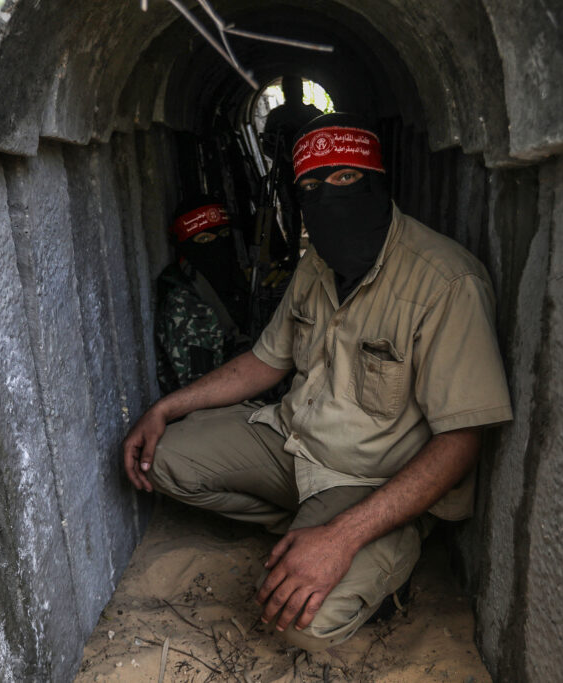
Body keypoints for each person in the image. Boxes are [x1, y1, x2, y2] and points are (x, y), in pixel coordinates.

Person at [124, 113, 512, 652]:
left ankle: (373, 544)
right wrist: (166, 407)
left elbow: (461, 442)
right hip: (291, 442)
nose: (326, 197)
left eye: (346, 179)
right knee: (159, 459)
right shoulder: (317, 262)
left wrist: (343, 535)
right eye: (309, 186)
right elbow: (265, 363)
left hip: (366, 481)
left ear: (377, 181)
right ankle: (303, 525)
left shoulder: (446, 282)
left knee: (300, 624)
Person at [155, 196, 249, 394]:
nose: (218, 246)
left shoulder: (230, 284)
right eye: (204, 239)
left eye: (224, 235)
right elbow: (201, 390)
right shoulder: (186, 305)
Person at [262, 76, 323, 259]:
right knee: (291, 213)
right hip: (288, 171)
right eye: (290, 88)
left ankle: (317, 251)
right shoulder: (277, 116)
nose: (293, 92)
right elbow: (267, 145)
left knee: (314, 210)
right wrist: (284, 156)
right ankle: (294, 254)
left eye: (295, 88)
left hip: (310, 170)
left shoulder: (312, 114)